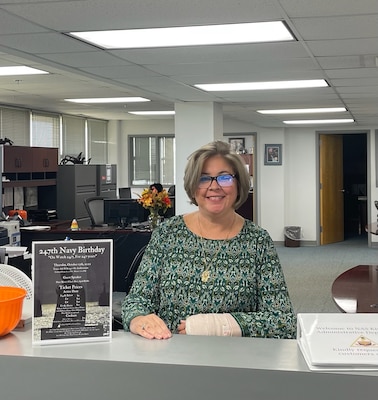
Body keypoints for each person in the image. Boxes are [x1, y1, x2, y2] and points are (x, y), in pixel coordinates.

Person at [122, 140, 296, 340]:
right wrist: (138, 319)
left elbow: (283, 322)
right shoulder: (167, 234)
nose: (214, 187)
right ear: (192, 186)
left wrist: (216, 325)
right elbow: (136, 300)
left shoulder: (258, 241)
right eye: (203, 179)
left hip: (237, 361)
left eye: (224, 177)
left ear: (239, 184)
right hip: (170, 358)